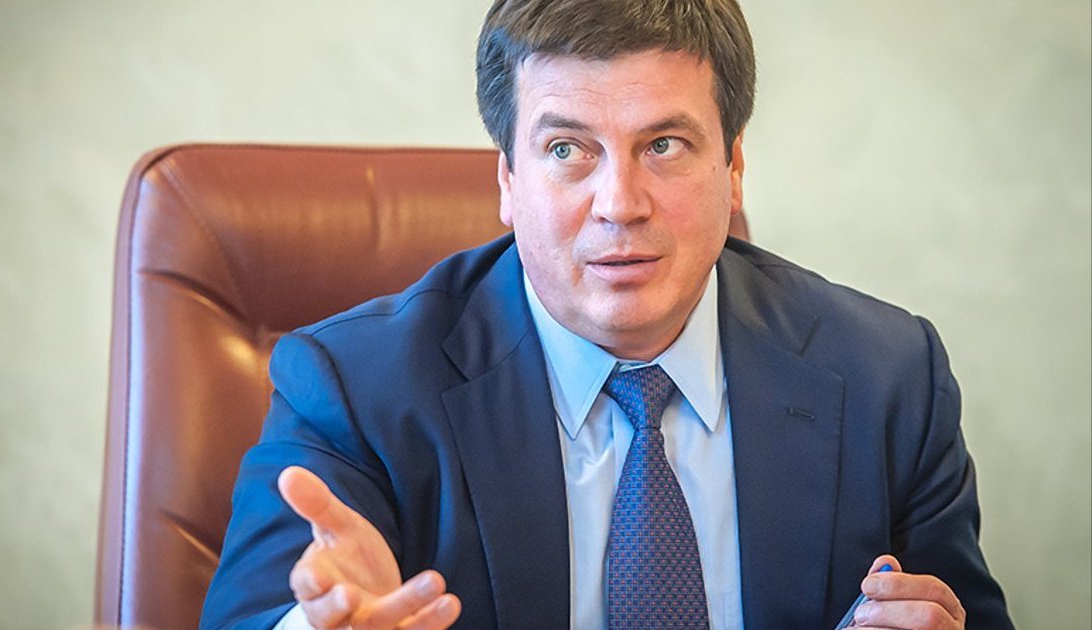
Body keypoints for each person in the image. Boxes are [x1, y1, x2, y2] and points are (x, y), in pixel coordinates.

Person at [201, 1, 1014, 628]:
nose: (620, 204)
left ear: (733, 167)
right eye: (567, 150)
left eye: (664, 145)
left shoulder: (887, 377)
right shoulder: (355, 389)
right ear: (508, 181)